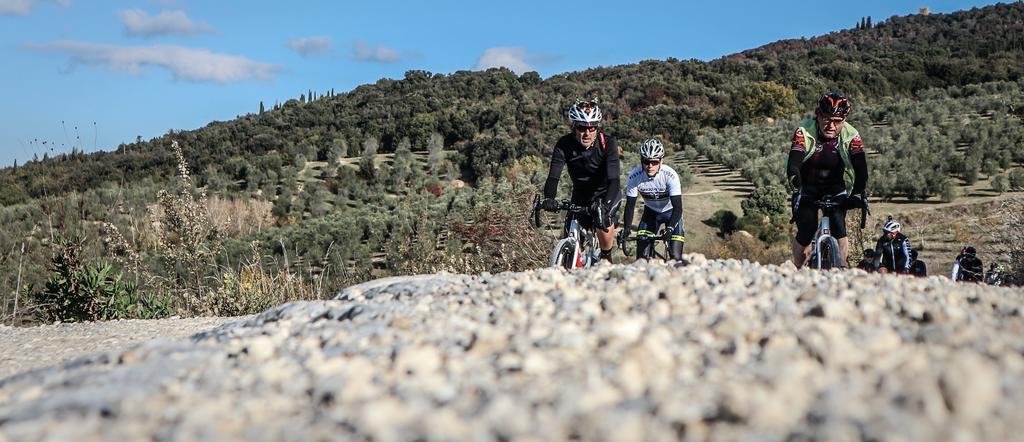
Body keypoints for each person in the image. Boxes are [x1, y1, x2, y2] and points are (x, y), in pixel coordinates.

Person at [787, 92, 869, 268]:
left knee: (839, 228)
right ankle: (799, 269)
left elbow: (861, 169)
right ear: (818, 114)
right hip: (808, 187)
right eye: (826, 118)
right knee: (806, 229)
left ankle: (840, 267)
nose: (831, 125)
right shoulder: (804, 131)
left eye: (837, 121)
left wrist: (857, 192)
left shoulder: (852, 135)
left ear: (844, 120)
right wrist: (796, 183)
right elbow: (794, 164)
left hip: (835, 188)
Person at [541, 98, 621, 263]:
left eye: (592, 128)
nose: (587, 133)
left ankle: (606, 258)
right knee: (571, 236)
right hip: (580, 195)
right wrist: (549, 198)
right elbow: (553, 176)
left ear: (596, 128)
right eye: (582, 127)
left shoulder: (608, 143)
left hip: (605, 193)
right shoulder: (564, 144)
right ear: (574, 127)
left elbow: (614, 180)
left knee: (603, 220)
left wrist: (605, 207)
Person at [620, 139, 685, 261]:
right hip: (651, 214)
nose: (650, 166)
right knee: (642, 258)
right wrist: (627, 229)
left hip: (671, 213)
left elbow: (678, 208)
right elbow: (630, 206)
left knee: (676, 257)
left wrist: (670, 228)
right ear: (641, 160)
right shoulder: (634, 176)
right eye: (646, 161)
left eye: (654, 162)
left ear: (661, 161)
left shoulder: (670, 175)